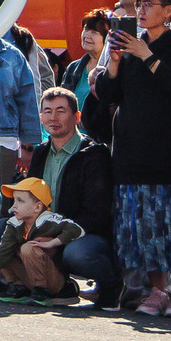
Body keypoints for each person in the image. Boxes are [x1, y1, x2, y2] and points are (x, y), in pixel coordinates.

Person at [88, 0, 171, 319]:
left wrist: (148, 57)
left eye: (149, 4)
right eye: (139, 5)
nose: (141, 10)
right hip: (135, 153)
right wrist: (112, 65)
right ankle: (157, 290)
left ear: (169, 12)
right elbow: (110, 96)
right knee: (147, 225)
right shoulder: (129, 47)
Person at [33, 87, 119, 304]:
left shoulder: (93, 154)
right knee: (2, 227)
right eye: (47, 111)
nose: (53, 117)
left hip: (84, 235)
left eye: (61, 111)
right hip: (44, 229)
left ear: (76, 117)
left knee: (77, 254)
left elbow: (97, 214)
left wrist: (56, 237)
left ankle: (113, 286)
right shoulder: (40, 152)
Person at [0, 177, 84, 301]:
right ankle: (18, 286)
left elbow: (76, 229)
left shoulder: (49, 220)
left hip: (52, 280)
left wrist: (52, 242)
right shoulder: (14, 223)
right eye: (14, 201)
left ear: (37, 207)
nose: (14, 207)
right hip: (28, 277)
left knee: (28, 248)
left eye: (20, 201)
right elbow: (5, 248)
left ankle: (42, 290)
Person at [0, 29, 42, 182]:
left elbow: (28, 100)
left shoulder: (13, 55)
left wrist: (27, 146)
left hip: (4, 139)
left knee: (0, 199)